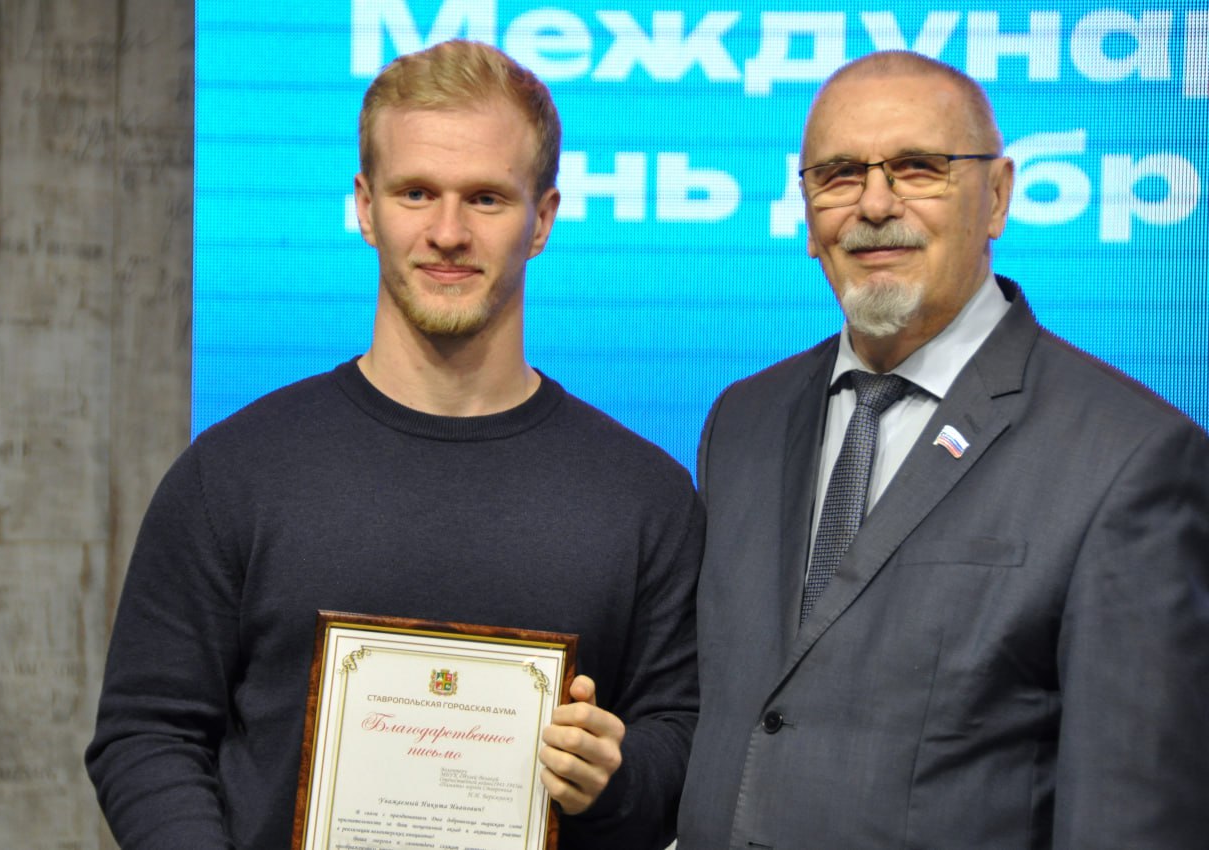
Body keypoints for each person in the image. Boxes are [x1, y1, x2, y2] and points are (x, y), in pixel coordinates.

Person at [86, 40, 702, 850]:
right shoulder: (234, 472)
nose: (447, 232)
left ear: (543, 219)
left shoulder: (646, 497)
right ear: (366, 208)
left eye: (486, 198)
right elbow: (146, 733)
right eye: (416, 192)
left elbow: (685, 742)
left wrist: (614, 779)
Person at [677, 50, 1209, 849]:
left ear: (996, 196)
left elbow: (1133, 816)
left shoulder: (1131, 458)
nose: (875, 204)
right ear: (807, 213)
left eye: (919, 168)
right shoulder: (742, 421)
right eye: (840, 175)